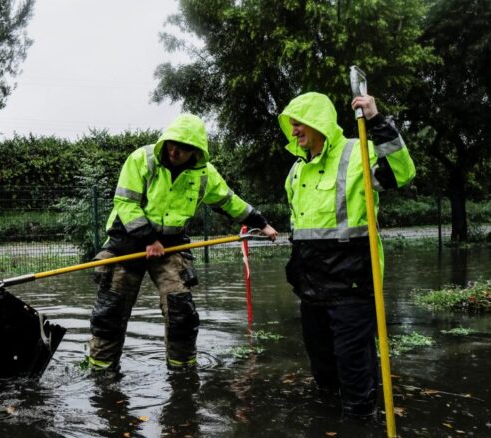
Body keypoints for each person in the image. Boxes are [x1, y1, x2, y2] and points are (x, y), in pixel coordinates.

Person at [87, 113, 278, 371]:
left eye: (184, 148)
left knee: (182, 311)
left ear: (196, 151)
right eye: (172, 144)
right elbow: (125, 203)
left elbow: (229, 201)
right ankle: (101, 372)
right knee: (111, 309)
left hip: (171, 245)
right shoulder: (141, 159)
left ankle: (183, 372)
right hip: (127, 242)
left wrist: (261, 223)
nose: (175, 152)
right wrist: (149, 239)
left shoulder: (204, 174)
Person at [278, 92, 415, 418]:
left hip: (353, 280)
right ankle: (329, 428)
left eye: (299, 124)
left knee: (353, 362)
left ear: (318, 122)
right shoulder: (296, 171)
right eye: (292, 126)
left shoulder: (358, 151)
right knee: (322, 364)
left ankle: (360, 424)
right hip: (312, 283)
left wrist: (377, 121)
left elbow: (401, 173)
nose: (294, 132)